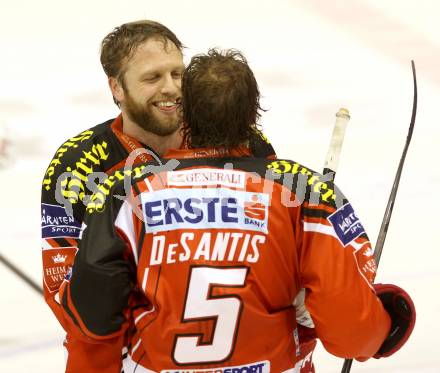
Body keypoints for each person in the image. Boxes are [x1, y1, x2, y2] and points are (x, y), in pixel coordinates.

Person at [58, 49, 415, 372]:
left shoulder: (125, 190)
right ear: (253, 113)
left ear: (186, 113)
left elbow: (91, 321)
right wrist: (388, 317)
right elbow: (352, 333)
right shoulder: (307, 193)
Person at [41, 22, 276, 372]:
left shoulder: (239, 141)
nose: (171, 89)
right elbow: (62, 287)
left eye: (177, 73)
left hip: (231, 351)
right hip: (120, 357)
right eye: (152, 78)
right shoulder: (76, 165)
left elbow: (276, 247)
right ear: (116, 87)